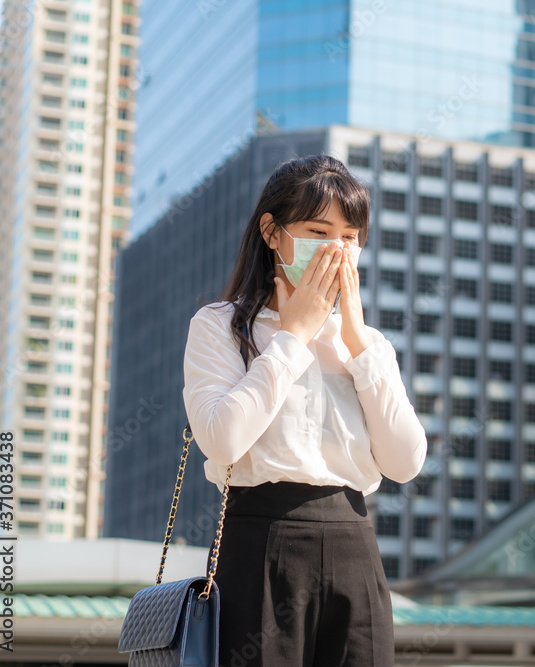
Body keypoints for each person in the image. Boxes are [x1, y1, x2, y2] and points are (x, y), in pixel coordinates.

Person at [181, 155, 427, 666]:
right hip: (260, 542)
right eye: (319, 230)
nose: (338, 249)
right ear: (272, 232)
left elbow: (405, 462)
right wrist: (293, 336)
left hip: (354, 542)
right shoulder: (221, 327)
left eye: (351, 236)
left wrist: (359, 343)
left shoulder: (368, 345)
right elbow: (223, 440)